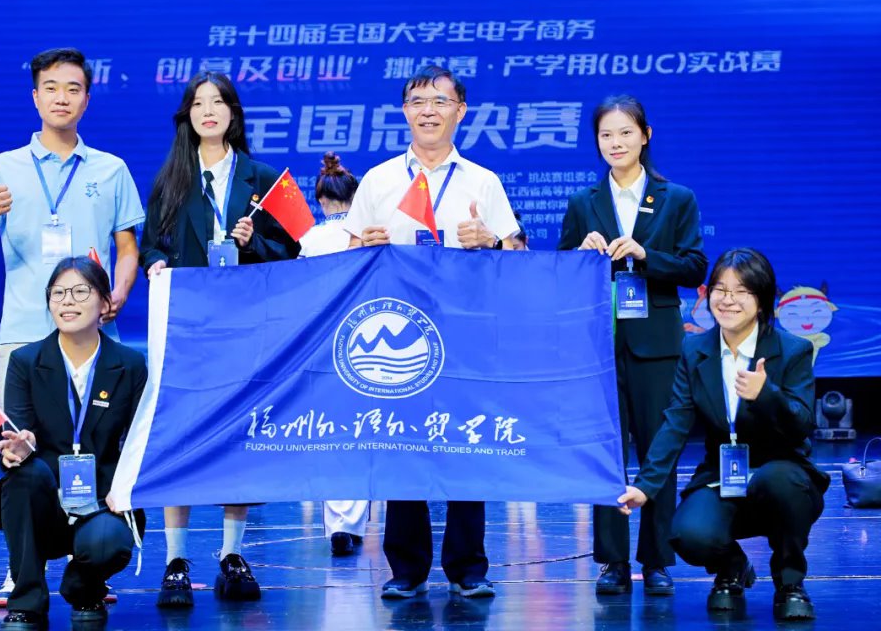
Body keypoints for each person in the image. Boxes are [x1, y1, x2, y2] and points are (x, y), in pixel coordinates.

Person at [0, 47, 144, 606]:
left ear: (86, 99)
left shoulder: (110, 169)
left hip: (93, 338)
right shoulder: (3, 166)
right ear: (35, 97)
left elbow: (127, 248)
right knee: (23, 456)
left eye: (73, 88)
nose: (62, 98)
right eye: (51, 88)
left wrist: (120, 291)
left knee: (94, 449)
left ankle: (90, 559)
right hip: (24, 336)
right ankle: (23, 571)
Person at [344, 65, 519, 599]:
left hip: (465, 331)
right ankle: (406, 569)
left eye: (440, 101)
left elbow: (517, 258)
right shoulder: (378, 181)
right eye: (418, 101)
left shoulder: (482, 181)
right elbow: (346, 261)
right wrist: (364, 247)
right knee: (401, 443)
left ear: (460, 112)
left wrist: (490, 241)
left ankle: (468, 566)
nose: (428, 110)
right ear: (404, 111)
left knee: (468, 441)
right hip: (398, 334)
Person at [140, 71, 299, 606]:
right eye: (198, 103)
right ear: (187, 115)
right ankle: (176, 560)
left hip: (248, 326)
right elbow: (151, 245)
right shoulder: (171, 179)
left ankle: (232, 554)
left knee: (239, 435)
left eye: (218, 101)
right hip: (189, 326)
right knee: (181, 434)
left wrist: (253, 246)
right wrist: (156, 262)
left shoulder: (264, 179)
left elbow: (292, 253)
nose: (208, 111)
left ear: (233, 112)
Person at [619, 248, 828, 621]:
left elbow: (802, 424)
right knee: (687, 534)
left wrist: (766, 395)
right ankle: (732, 568)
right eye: (720, 289)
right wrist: (645, 486)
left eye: (742, 291)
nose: (728, 300)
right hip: (723, 475)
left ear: (762, 300)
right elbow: (676, 421)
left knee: (778, 481)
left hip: (784, 475)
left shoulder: (792, 350)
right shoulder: (695, 349)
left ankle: (790, 583)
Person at [558, 95, 707, 596]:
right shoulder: (583, 202)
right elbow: (562, 272)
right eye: (606, 135)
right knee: (606, 453)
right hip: (600, 345)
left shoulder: (676, 198)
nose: (615, 143)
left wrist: (645, 255)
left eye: (625, 133)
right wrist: (580, 255)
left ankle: (657, 559)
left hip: (657, 345)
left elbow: (694, 266)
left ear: (645, 135)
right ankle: (613, 562)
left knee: (657, 449)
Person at [0, 257, 147, 630]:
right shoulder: (25, 361)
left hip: (102, 501)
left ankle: (84, 587)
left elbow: (141, 441)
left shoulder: (129, 364)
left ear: (105, 303)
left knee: (108, 542)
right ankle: (27, 600)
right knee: (22, 478)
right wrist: (20, 448)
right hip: (45, 501)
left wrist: (124, 489)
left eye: (80, 292)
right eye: (58, 293)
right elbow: (18, 433)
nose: (67, 301)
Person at [297, 152, 368, 556]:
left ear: (321, 200)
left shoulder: (309, 240)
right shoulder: (369, 235)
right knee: (364, 429)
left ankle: (339, 524)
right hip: (364, 346)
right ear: (355, 198)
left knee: (332, 432)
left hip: (322, 348)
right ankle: (352, 524)